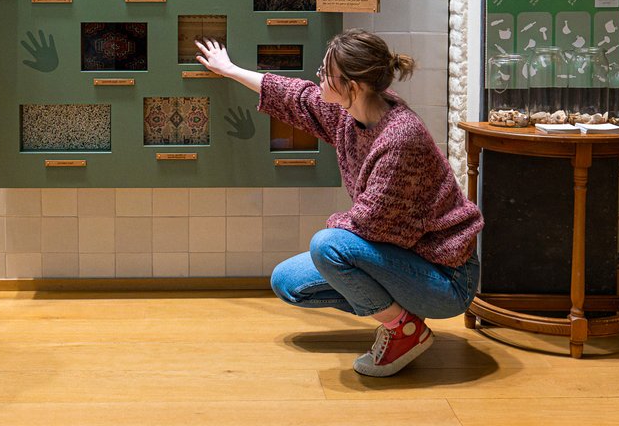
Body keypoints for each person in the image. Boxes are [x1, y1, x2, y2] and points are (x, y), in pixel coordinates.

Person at [195, 29, 483, 377]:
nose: (318, 80)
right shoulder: (354, 113)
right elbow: (296, 97)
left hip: (446, 276)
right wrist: (231, 70)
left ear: (354, 85)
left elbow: (369, 226)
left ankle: (405, 331)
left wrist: (333, 231)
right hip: (407, 259)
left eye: (325, 74)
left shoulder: (400, 139)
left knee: (328, 246)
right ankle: (401, 314)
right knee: (288, 281)